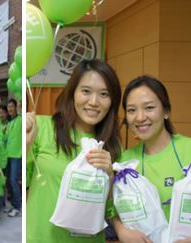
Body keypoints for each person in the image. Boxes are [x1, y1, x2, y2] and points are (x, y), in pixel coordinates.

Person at [26, 59, 122, 242]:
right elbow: (19, 183)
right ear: (72, 93)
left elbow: (111, 211)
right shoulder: (43, 128)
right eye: (86, 91)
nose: (94, 102)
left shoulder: (113, 146)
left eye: (104, 94)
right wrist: (26, 144)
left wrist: (109, 176)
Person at [113, 76, 191, 243]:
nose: (139, 117)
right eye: (131, 110)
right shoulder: (124, 162)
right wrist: (120, 230)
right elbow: (111, 208)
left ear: (166, 111)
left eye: (149, 108)